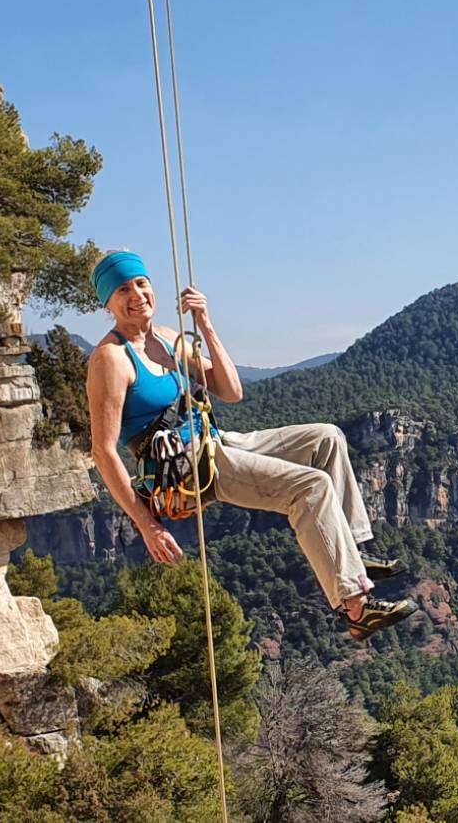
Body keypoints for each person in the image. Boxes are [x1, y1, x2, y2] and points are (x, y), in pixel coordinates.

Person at [84, 250, 417, 641]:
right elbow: (103, 451)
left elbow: (231, 391)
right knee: (311, 487)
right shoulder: (110, 359)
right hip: (188, 468)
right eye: (123, 289)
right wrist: (146, 526)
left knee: (327, 437)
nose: (136, 294)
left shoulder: (169, 340)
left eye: (141, 283)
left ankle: (355, 556)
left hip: (214, 442)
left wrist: (205, 325)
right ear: (108, 304)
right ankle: (356, 606)